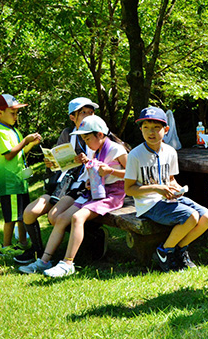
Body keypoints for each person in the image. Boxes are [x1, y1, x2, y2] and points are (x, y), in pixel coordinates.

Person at [19, 115, 128, 277]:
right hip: (95, 192)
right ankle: (44, 261)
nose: (85, 143)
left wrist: (110, 171)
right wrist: (90, 182)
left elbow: (133, 175)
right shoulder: (96, 150)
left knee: (77, 217)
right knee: (62, 218)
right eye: (83, 139)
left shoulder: (116, 149)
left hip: (112, 195)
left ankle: (68, 263)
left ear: (100, 134)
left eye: (87, 138)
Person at [125, 106, 208, 271]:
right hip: (148, 204)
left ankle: (178, 250)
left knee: (207, 216)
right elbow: (129, 189)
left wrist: (176, 188)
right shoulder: (135, 155)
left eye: (156, 128)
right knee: (191, 217)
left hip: (169, 199)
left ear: (166, 130)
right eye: (146, 128)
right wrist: (156, 188)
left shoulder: (171, 152)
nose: (151, 132)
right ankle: (165, 251)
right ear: (141, 130)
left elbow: (170, 179)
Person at [13, 97, 98, 265]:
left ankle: (90, 240)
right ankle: (37, 250)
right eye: (83, 113)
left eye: (91, 112)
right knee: (29, 213)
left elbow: (109, 156)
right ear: (72, 117)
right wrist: (51, 164)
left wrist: (87, 160)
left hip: (81, 186)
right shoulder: (67, 134)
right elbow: (58, 162)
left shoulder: (97, 132)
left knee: (54, 217)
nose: (88, 115)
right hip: (61, 185)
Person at [0, 94, 42, 255]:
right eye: (12, 112)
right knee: (12, 216)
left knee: (22, 213)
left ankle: (23, 243)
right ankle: (6, 246)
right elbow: (9, 155)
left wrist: (31, 144)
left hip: (19, 179)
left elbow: (20, 152)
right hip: (9, 181)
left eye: (16, 113)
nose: (15, 116)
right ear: (0, 113)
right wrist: (25, 141)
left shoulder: (14, 130)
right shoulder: (0, 132)